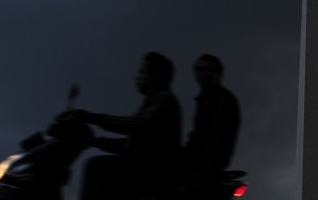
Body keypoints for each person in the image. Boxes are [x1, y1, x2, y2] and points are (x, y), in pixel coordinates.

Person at [64, 52, 181, 200]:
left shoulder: (164, 100)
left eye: (142, 72)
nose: (136, 77)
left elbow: (137, 124)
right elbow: (129, 144)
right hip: (144, 169)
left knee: (95, 167)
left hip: (153, 172)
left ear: (157, 75)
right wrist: (95, 141)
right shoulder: (152, 103)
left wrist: (91, 117)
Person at [182, 54, 240, 186]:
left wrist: (200, 173)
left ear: (219, 73)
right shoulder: (204, 99)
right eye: (199, 69)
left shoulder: (222, 100)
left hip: (206, 168)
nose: (204, 73)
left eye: (209, 69)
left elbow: (216, 138)